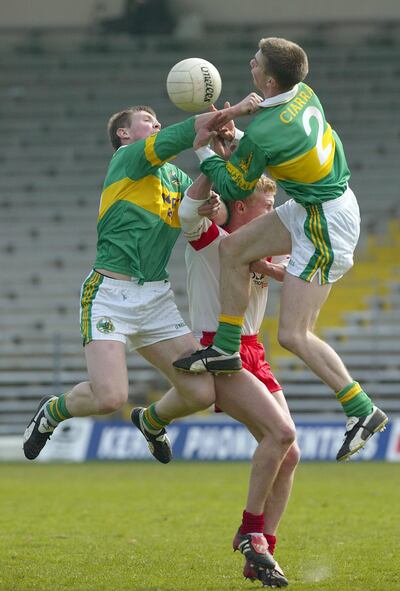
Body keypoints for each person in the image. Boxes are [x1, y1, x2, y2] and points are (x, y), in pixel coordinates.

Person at [173, 37, 388, 462]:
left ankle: (362, 409)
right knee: (232, 249)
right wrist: (238, 135)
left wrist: (203, 149)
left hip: (326, 222)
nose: (249, 64)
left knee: (293, 334)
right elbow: (265, 145)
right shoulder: (303, 94)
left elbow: (235, 186)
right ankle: (225, 347)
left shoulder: (268, 131)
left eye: (255, 62)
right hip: (316, 204)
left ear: (268, 78)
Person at [22, 98, 258, 463]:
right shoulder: (127, 159)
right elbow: (184, 133)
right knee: (109, 398)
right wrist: (234, 111)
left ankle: (150, 421)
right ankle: (52, 412)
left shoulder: (175, 178)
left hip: (155, 299)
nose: (157, 124)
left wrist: (214, 185)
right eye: (148, 120)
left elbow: (221, 210)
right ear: (124, 133)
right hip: (109, 295)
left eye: (157, 120)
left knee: (201, 393)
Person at [134, 173, 298, 587]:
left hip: (254, 350)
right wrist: (214, 165)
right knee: (279, 434)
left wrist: (276, 272)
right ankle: (250, 532)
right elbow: (189, 215)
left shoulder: (261, 246)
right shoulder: (216, 241)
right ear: (241, 208)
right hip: (220, 349)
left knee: (290, 453)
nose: (272, 216)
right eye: (265, 208)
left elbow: (303, 257)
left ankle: (262, 553)